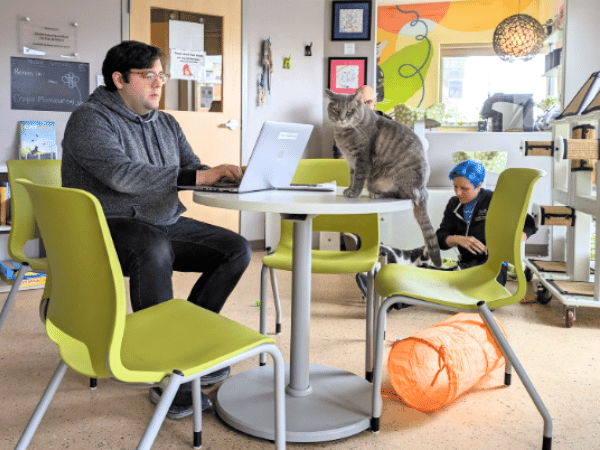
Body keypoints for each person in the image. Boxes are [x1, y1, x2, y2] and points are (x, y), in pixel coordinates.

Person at [62, 41, 252, 419]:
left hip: (161, 221)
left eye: (161, 75)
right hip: (106, 227)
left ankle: (188, 347)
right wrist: (199, 174)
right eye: (148, 75)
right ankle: (167, 373)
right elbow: (122, 175)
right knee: (154, 248)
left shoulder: (166, 122)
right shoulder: (89, 119)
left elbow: (192, 168)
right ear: (118, 79)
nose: (158, 83)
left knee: (237, 249)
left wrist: (228, 178)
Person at [355, 159, 537, 294]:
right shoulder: (454, 204)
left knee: (445, 280)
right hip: (466, 265)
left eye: (464, 188)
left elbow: (529, 223)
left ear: (479, 185)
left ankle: (387, 285)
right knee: (424, 256)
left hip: (491, 268)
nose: (458, 192)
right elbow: (441, 237)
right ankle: (383, 270)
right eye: (455, 186)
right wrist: (457, 239)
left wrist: (508, 245)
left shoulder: (494, 200)